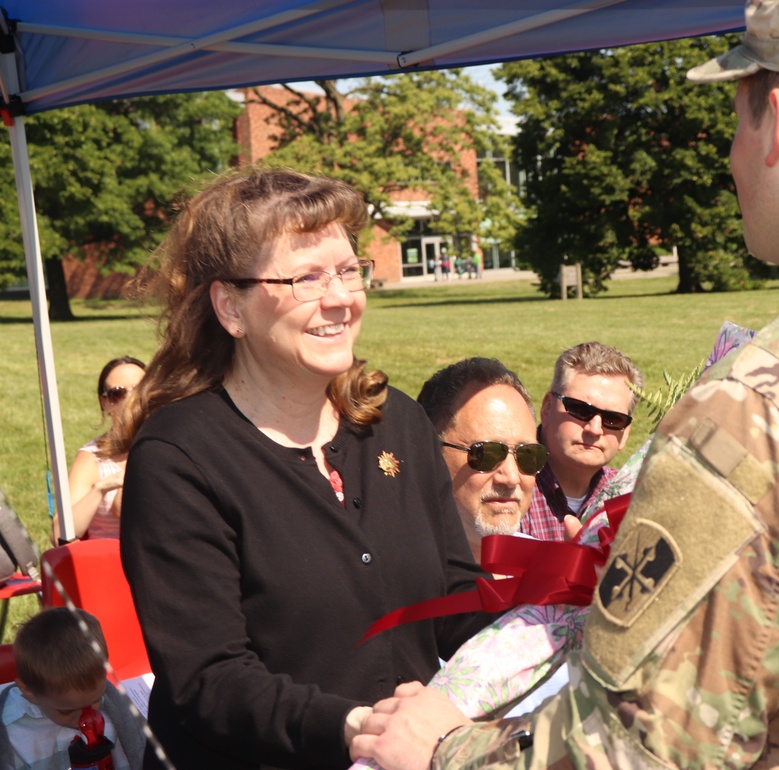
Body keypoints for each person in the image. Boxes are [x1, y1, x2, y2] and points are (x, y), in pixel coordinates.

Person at [351, 1, 779, 767]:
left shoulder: (759, 404)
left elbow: (648, 744)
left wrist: (441, 750)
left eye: (737, 121)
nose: (731, 153)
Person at [113, 166, 491, 770]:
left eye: (347, 270)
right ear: (231, 308)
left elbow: (449, 597)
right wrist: (355, 726)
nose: (340, 298)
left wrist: (555, 607)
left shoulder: (397, 422)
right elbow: (208, 681)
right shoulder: (180, 459)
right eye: (306, 278)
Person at [417, 358, 546, 565]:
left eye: (528, 455)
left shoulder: (551, 569)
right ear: (430, 454)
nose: (511, 478)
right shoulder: (394, 581)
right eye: (487, 454)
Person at [519, 341, 643, 541]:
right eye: (580, 410)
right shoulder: (506, 483)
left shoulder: (630, 500)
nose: (594, 429)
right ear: (547, 408)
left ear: (625, 433)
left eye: (613, 419)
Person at [0, 607, 146, 770]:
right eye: (67, 711)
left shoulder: (117, 713)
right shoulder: (11, 732)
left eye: (95, 700)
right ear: (29, 692)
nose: (85, 719)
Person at [53, 356, 146, 544]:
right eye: (118, 393)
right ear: (104, 402)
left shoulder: (172, 443)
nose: (131, 399)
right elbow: (58, 535)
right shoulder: (92, 458)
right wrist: (100, 489)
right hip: (109, 566)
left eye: (141, 389)